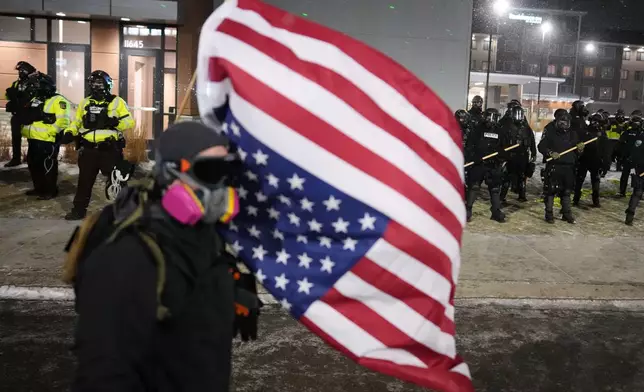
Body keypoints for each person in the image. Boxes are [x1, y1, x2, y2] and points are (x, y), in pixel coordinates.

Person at [63, 121, 260, 391]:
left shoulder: (201, 232)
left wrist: (228, 291)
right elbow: (104, 372)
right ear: (171, 173)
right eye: (210, 171)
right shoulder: (129, 255)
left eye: (227, 171)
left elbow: (190, 280)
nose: (222, 184)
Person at [60, 70, 135, 220]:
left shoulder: (117, 102)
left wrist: (116, 122)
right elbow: (76, 122)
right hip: (88, 150)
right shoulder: (85, 102)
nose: (96, 86)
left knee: (117, 181)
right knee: (84, 182)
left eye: (99, 83)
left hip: (109, 150)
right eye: (93, 83)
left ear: (107, 84)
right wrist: (69, 132)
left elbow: (129, 121)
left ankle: (125, 212)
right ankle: (78, 211)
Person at [21, 73, 71, 199]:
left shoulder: (59, 100)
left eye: (37, 85)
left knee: (47, 165)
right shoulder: (36, 98)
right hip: (33, 138)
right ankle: (39, 188)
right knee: (33, 164)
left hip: (48, 140)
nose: (35, 87)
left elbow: (63, 121)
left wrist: (51, 132)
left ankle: (50, 191)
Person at [464, 108, 508, 223]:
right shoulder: (477, 129)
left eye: (494, 117)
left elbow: (504, 147)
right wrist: (473, 157)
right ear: (485, 117)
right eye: (489, 117)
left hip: (493, 164)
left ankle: (495, 212)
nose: (491, 120)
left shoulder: (500, 131)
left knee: (494, 189)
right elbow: (469, 146)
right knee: (474, 187)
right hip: (479, 163)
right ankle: (467, 210)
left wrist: (501, 155)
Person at [538, 112, 583, 224]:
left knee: (567, 192)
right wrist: (550, 152)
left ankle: (566, 213)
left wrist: (580, 149)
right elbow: (541, 146)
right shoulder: (550, 131)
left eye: (566, 122)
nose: (564, 124)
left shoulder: (573, 133)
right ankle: (549, 214)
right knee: (551, 191)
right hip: (554, 166)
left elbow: (577, 150)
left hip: (569, 167)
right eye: (561, 122)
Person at [4, 61, 38, 167]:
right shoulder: (17, 83)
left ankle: (31, 159)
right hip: (17, 114)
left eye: (21, 71)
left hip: (29, 114)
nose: (19, 73)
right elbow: (8, 96)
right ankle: (16, 158)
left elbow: (37, 97)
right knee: (15, 137)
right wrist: (10, 95)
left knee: (31, 138)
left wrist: (25, 98)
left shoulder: (34, 82)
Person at [500, 106, 536, 203]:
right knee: (507, 176)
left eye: (520, 115)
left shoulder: (526, 127)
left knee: (522, 176)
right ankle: (502, 196)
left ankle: (522, 195)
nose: (519, 117)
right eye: (517, 114)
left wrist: (534, 152)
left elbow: (532, 140)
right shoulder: (507, 126)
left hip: (523, 155)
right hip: (510, 155)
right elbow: (502, 141)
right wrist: (503, 154)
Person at [573, 112, 606, 208]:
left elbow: (605, 150)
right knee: (579, 180)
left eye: (597, 121)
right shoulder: (584, 131)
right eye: (593, 121)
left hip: (596, 161)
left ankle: (596, 201)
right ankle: (576, 199)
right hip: (584, 159)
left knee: (595, 181)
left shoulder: (602, 134)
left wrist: (604, 164)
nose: (594, 123)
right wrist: (579, 147)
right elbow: (577, 143)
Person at [618, 110, 643, 197]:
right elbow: (621, 144)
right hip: (629, 157)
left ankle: (637, 193)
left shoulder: (641, 133)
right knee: (627, 175)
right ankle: (623, 191)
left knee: (638, 176)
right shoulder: (628, 132)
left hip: (636, 158)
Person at [623, 122, 644, 225]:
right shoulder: (641, 137)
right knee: (637, 192)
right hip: (640, 169)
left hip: (639, 168)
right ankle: (629, 216)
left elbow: (634, 153)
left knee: (637, 193)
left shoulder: (640, 136)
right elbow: (635, 153)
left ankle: (629, 216)